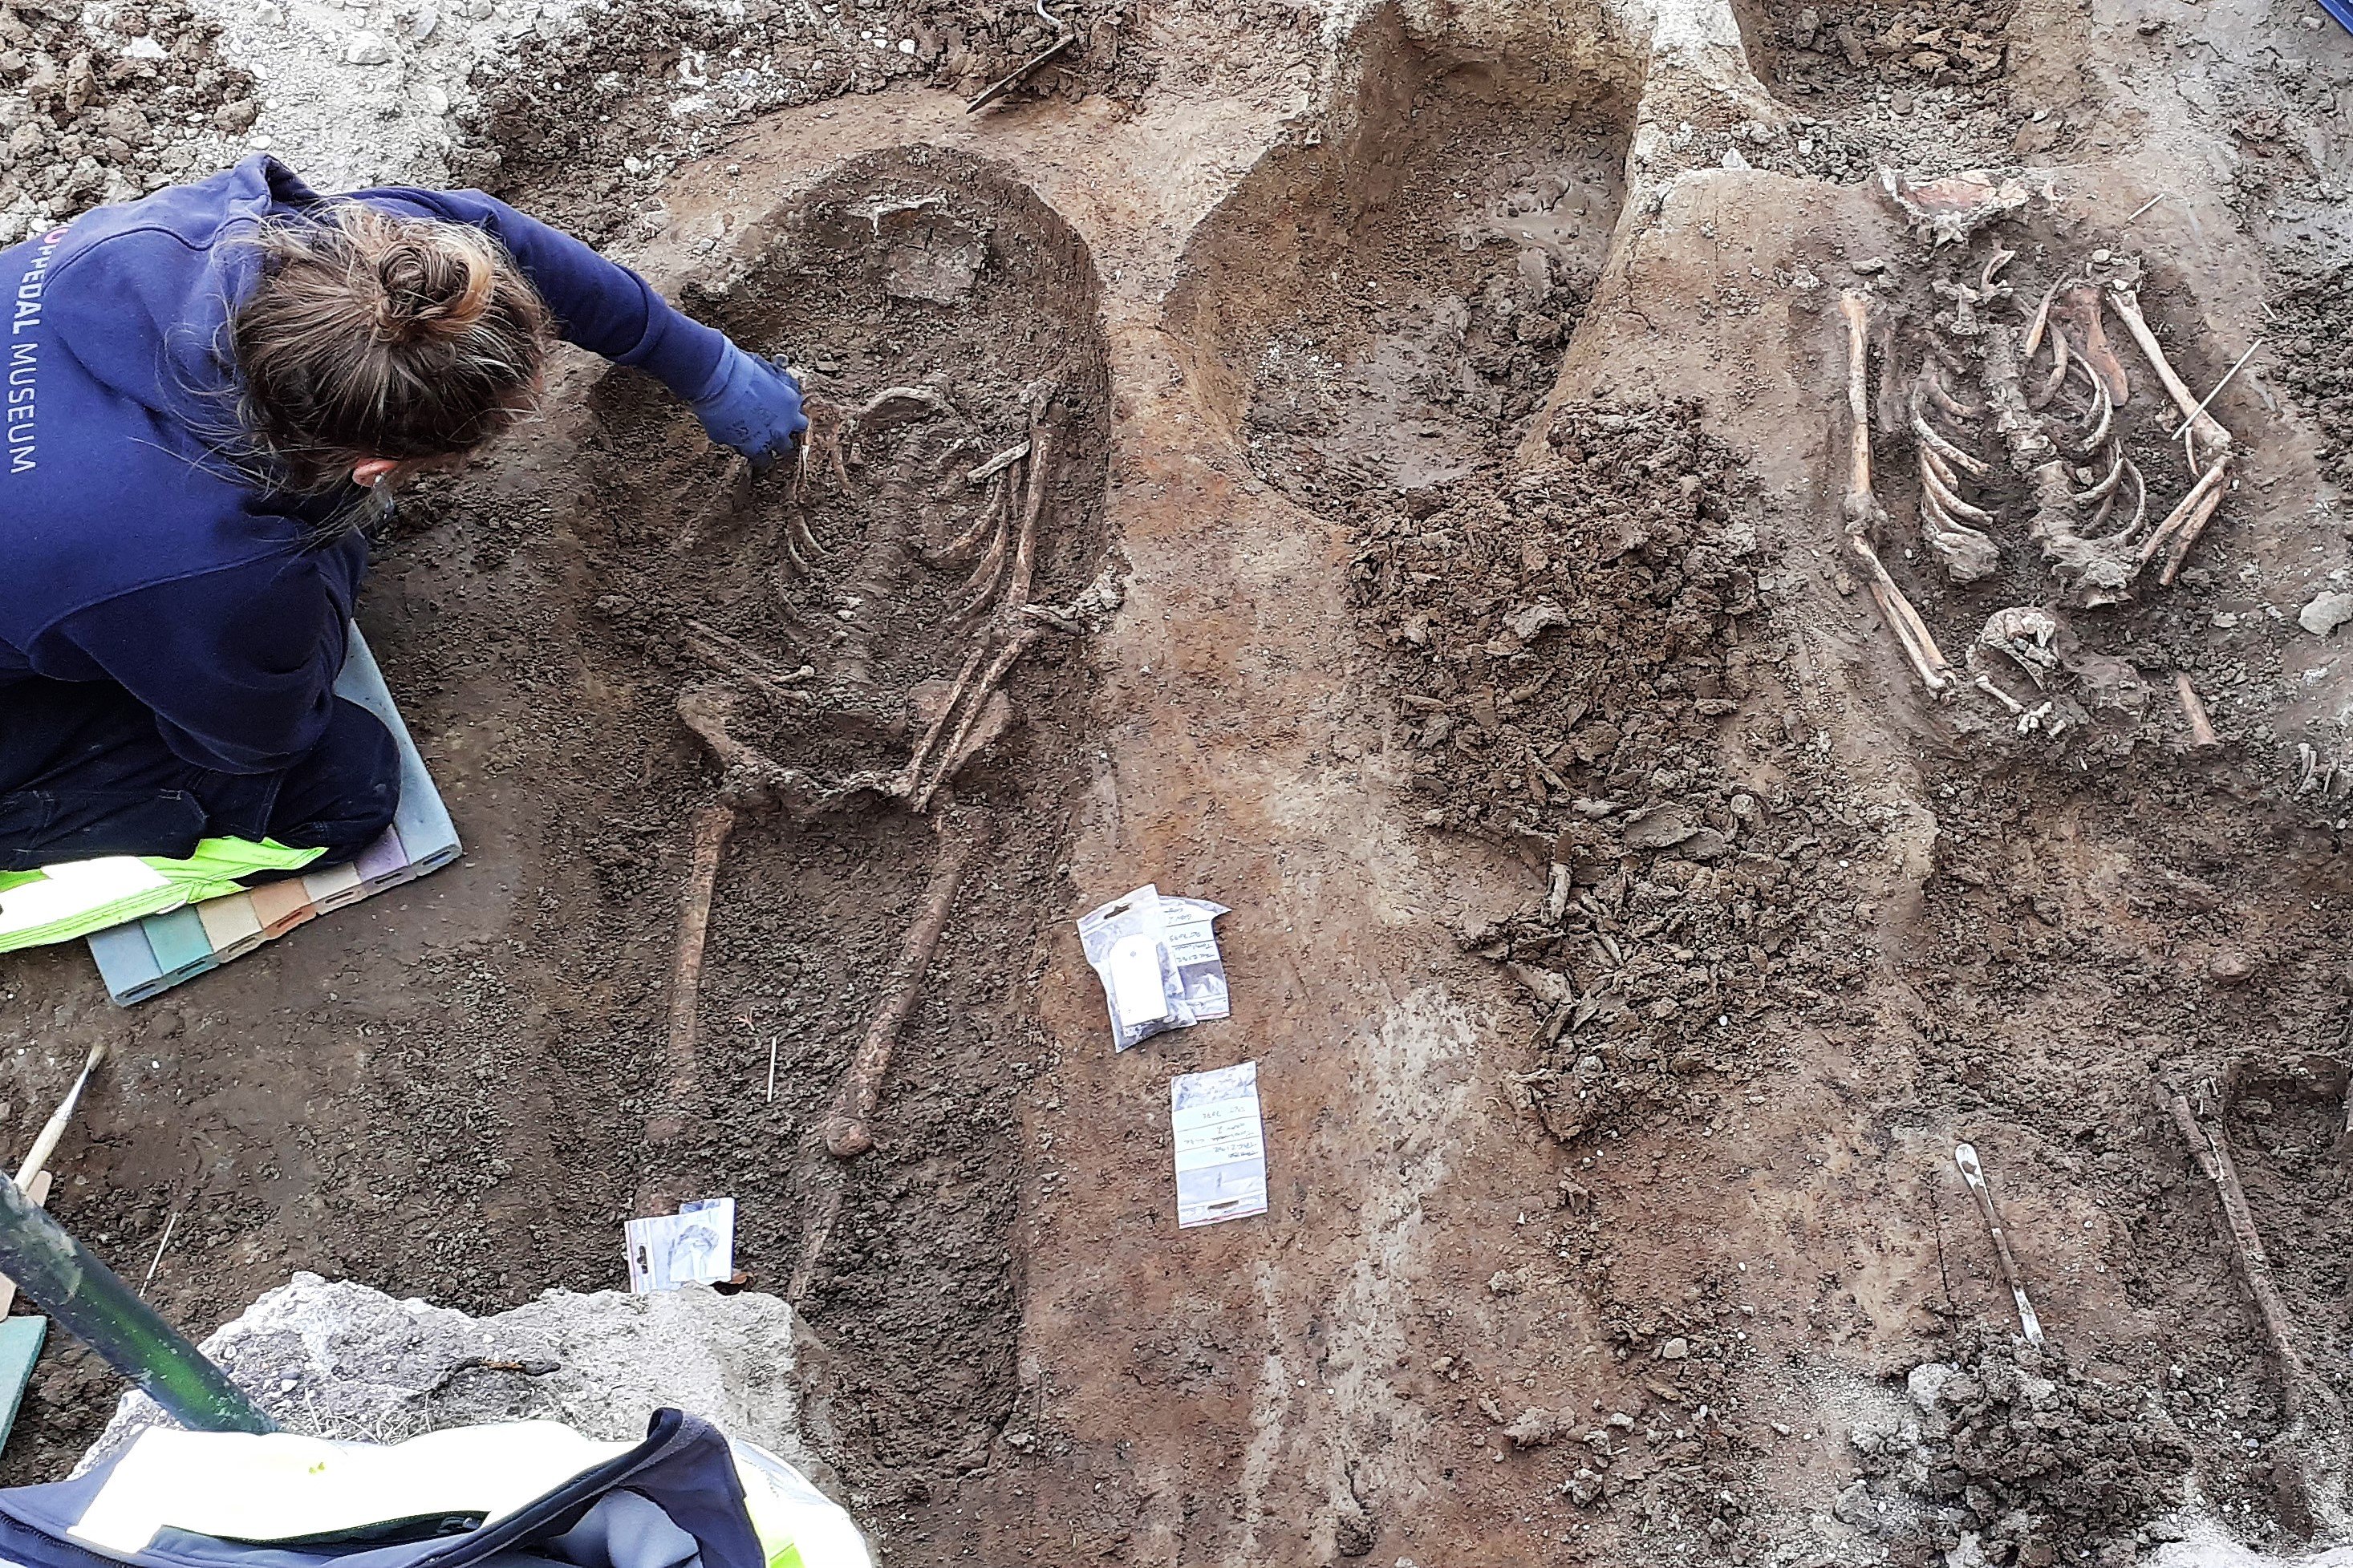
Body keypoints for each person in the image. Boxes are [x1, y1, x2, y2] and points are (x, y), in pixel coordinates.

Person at [0, 156, 805, 878]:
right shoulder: (206, 565)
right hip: (75, 588)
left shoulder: (283, 252)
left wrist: (697, 359)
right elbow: (256, 739)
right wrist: (314, 554)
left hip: (58, 513)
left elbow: (485, 233)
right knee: (341, 785)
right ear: (374, 469)